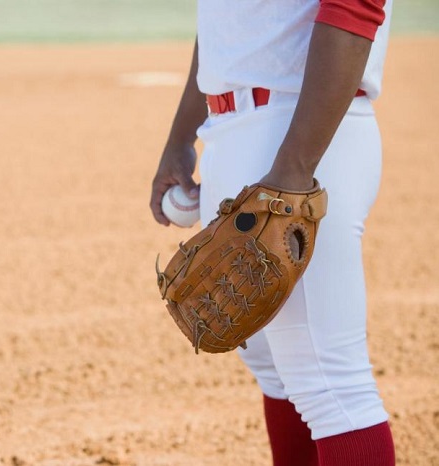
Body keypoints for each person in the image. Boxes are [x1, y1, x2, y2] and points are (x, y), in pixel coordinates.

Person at [149, 1, 396, 465]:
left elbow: (354, 7)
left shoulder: (294, 159)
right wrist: (183, 136)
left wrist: (294, 169)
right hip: (234, 130)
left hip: (299, 130)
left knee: (330, 385)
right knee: (276, 367)